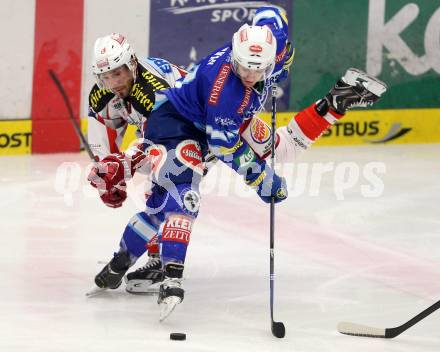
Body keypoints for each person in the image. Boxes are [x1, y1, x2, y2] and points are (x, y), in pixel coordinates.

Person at [89, 6, 387, 322]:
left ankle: (334, 102)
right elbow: (187, 145)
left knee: (279, 149)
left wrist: (124, 167)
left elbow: (270, 15)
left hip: (220, 121)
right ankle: (155, 259)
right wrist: (117, 168)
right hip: (198, 126)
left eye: (118, 73)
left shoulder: (255, 54)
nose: (113, 82)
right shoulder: (220, 92)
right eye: (106, 76)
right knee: (172, 191)